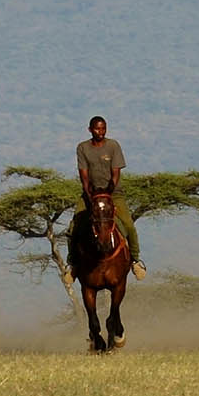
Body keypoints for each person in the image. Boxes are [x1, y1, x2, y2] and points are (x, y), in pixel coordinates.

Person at [77, 115, 147, 278]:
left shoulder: (113, 146)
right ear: (90, 130)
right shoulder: (82, 148)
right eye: (97, 129)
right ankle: (72, 264)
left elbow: (116, 173)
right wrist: (89, 195)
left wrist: (109, 192)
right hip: (91, 195)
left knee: (129, 225)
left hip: (113, 194)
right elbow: (84, 175)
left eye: (103, 128)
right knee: (74, 227)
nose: (100, 132)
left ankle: (136, 261)